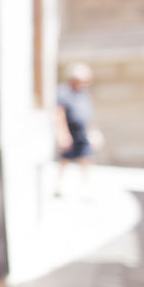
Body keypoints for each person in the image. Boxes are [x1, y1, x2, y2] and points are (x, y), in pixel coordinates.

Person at [55, 62, 103, 196]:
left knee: (86, 159)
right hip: (70, 131)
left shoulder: (84, 93)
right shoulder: (64, 92)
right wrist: (62, 134)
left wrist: (94, 132)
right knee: (65, 160)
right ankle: (59, 186)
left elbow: (88, 114)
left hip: (83, 132)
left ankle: (86, 187)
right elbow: (59, 113)